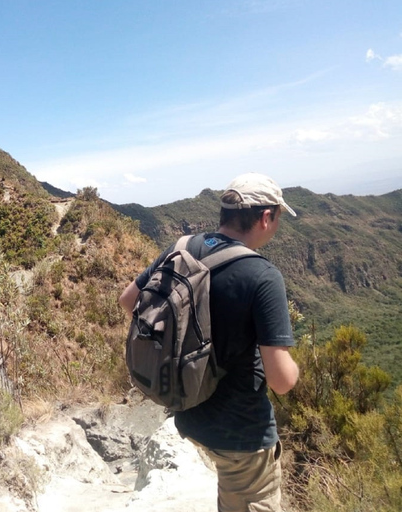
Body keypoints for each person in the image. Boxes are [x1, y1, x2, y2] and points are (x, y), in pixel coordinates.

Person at [119, 173, 300, 512]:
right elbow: (283, 381)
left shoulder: (181, 247)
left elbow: (129, 300)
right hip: (241, 433)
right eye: (277, 217)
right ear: (265, 217)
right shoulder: (262, 276)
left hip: (189, 413)